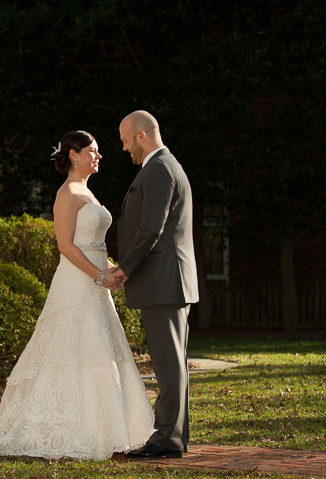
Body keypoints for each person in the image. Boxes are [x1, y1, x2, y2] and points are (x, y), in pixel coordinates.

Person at [0, 131, 155, 460]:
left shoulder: (88, 193)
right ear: (74, 155)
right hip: (76, 285)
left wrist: (114, 271)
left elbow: (93, 247)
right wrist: (100, 276)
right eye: (93, 151)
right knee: (71, 349)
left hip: (94, 284)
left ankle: (109, 428)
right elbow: (65, 246)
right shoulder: (67, 192)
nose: (99, 156)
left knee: (98, 351)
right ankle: (67, 427)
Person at [114, 111, 199, 459]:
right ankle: (173, 438)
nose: (123, 148)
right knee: (171, 363)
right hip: (166, 281)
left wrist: (124, 270)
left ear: (141, 136)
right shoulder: (160, 166)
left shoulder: (160, 168)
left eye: (124, 140)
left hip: (165, 281)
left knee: (167, 364)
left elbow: (151, 228)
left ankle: (165, 440)